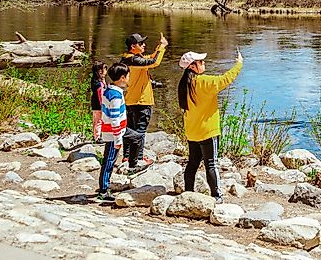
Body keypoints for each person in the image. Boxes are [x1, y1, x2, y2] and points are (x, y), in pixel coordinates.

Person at [178, 48, 243, 203]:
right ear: (192, 66)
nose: (203, 63)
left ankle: (188, 192)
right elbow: (226, 79)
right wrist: (239, 64)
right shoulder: (203, 81)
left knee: (192, 163)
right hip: (208, 132)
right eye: (200, 61)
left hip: (192, 132)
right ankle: (217, 196)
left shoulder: (184, 85)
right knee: (211, 164)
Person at [97, 63, 147, 202]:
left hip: (120, 129)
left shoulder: (112, 90)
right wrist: (118, 139)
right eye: (128, 76)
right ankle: (103, 190)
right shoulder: (115, 95)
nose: (129, 78)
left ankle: (132, 165)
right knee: (109, 160)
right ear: (123, 78)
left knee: (137, 138)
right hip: (114, 133)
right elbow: (114, 117)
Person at [120, 32, 168, 167]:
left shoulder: (128, 58)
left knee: (130, 130)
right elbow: (154, 62)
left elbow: (150, 57)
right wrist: (163, 47)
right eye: (141, 43)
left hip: (130, 100)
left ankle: (127, 156)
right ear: (133, 46)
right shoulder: (134, 60)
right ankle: (138, 158)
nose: (144, 45)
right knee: (140, 131)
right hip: (141, 101)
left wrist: (159, 46)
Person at [89, 61, 107, 143]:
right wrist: (103, 105)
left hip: (96, 104)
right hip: (98, 105)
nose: (106, 71)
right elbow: (100, 95)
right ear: (100, 71)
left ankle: (98, 135)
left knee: (98, 120)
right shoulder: (98, 84)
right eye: (104, 69)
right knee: (98, 121)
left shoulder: (96, 80)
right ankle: (97, 137)